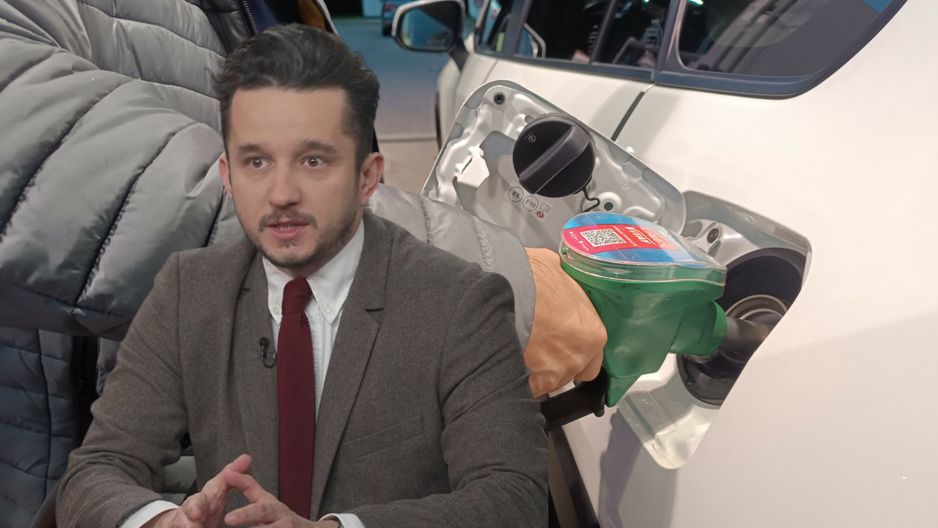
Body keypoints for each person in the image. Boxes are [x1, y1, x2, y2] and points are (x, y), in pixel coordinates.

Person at [55, 24, 548, 527]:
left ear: (367, 177)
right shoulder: (189, 290)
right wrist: (162, 523)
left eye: (313, 161)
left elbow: (514, 498)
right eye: (257, 162)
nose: (282, 194)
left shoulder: (460, 302)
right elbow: (97, 469)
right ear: (227, 176)